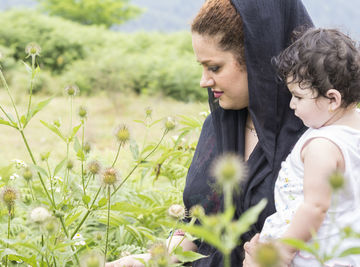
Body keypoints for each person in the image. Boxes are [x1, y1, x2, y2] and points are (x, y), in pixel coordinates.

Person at [106, 0, 313, 266]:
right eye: (201, 67)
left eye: (214, 67)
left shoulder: (315, 137)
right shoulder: (219, 127)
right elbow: (198, 223)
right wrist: (150, 259)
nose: (204, 81)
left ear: (259, 59)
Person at [243, 28, 360, 267]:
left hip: (308, 257)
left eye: (298, 96)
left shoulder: (322, 146)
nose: (292, 104)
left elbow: (315, 207)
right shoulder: (352, 132)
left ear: (332, 99)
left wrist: (283, 252)